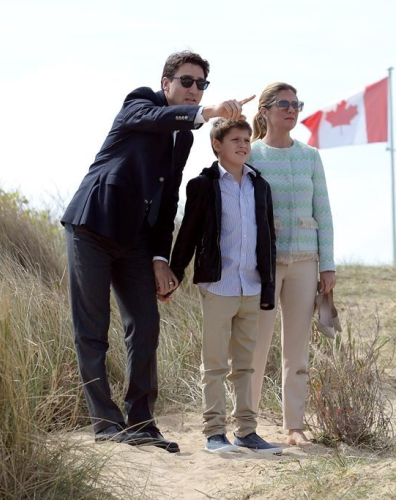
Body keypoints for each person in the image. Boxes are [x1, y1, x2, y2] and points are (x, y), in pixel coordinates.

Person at [61, 51, 253, 452]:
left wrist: (160, 259)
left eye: (201, 84)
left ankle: (141, 422)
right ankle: (105, 423)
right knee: (92, 332)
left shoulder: (183, 138)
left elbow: (167, 201)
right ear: (166, 83)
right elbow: (154, 119)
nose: (194, 89)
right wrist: (208, 111)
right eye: (187, 82)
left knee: (146, 326)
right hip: (92, 227)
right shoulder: (140, 102)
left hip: (135, 242)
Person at [169, 118, 281, 454]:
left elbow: (268, 240)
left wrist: (269, 286)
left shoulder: (260, 185)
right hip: (217, 286)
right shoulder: (203, 185)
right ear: (217, 145)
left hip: (252, 286)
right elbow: (187, 232)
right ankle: (214, 433)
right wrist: (173, 274)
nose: (244, 145)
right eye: (235, 139)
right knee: (215, 364)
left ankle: (247, 432)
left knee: (245, 365)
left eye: (247, 139)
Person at [248, 82, 336, 447]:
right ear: (265, 110)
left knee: (297, 348)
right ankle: (245, 422)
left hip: (305, 261)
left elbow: (324, 212)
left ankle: (294, 425)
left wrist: (327, 265)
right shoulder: (250, 153)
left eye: (296, 104)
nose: (292, 109)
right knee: (254, 345)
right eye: (283, 104)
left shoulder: (311, 156)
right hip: (262, 264)